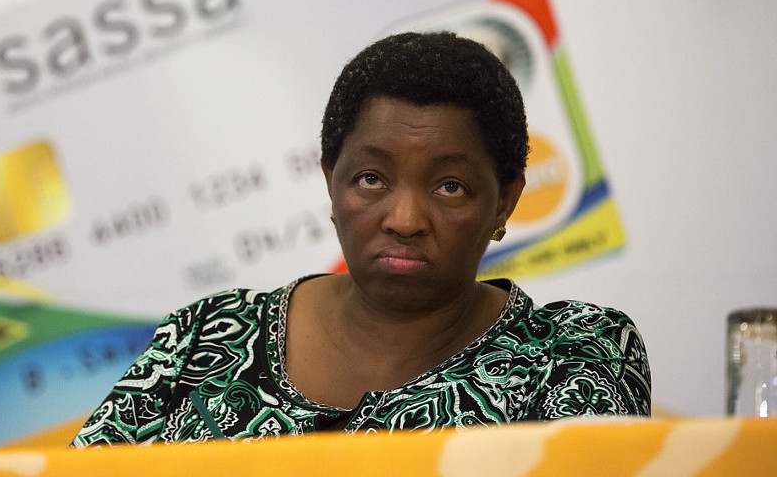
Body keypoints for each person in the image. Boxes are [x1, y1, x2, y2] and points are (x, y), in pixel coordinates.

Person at [71, 31, 651, 445]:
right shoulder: (203, 342)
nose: (404, 218)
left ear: (505, 199)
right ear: (331, 183)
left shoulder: (574, 357)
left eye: (450, 187)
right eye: (371, 178)